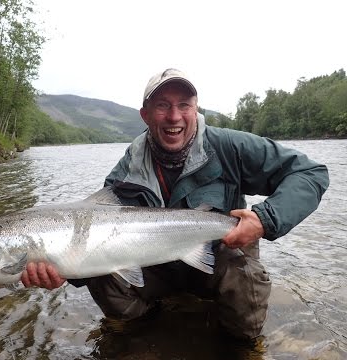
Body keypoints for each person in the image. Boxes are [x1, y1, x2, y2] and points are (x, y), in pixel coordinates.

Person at [20, 68, 329, 340]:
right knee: (104, 277)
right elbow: (95, 245)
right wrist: (64, 271)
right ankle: (142, 332)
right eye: (162, 106)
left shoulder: (230, 147)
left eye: (184, 105)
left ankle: (241, 345)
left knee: (243, 277)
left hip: (217, 257)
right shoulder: (123, 177)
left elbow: (310, 173)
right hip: (158, 268)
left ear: (196, 109)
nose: (174, 116)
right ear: (145, 114)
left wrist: (265, 218)